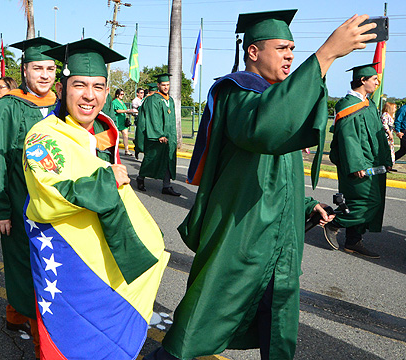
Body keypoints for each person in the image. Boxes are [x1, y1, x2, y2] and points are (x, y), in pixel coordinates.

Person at [146, 10, 373, 360]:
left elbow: (279, 170)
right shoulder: (237, 94)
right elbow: (262, 133)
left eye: (293, 49)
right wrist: (325, 54)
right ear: (253, 52)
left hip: (278, 238)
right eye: (282, 48)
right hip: (243, 234)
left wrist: (305, 203)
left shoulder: (274, 98)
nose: (290, 56)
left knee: (279, 326)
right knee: (203, 320)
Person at [23, 37, 169, 360]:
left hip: (106, 262)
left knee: (105, 340)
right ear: (61, 90)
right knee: (71, 341)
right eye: (79, 85)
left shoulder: (104, 133)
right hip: (71, 265)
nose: (89, 95)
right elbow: (52, 191)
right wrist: (106, 178)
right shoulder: (43, 137)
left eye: (98, 86)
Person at [0, 36, 59, 356]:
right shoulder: (9, 106)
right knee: (24, 265)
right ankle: (39, 340)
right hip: (21, 204)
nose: (45, 74)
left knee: (48, 267)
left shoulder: (61, 105)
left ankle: (15, 315)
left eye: (51, 68)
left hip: (57, 207)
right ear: (24, 70)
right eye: (38, 67)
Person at [323, 63, 393, 259]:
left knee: (366, 201)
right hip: (359, 165)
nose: (377, 83)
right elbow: (349, 139)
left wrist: (386, 159)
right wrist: (357, 165)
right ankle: (334, 222)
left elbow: (379, 136)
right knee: (368, 202)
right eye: (374, 80)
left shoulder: (369, 105)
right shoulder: (347, 106)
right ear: (362, 80)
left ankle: (353, 241)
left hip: (374, 164)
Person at [136, 73, 180, 196]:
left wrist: (171, 135)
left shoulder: (170, 100)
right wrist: (159, 134)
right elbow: (152, 118)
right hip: (156, 136)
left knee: (168, 159)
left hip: (169, 135)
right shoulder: (152, 99)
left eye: (168, 85)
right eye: (163, 85)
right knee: (151, 159)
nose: (166, 87)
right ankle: (141, 178)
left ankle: (167, 186)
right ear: (158, 85)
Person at [134, 83, 157, 160]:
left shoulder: (150, 98)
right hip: (145, 122)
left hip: (148, 121)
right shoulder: (148, 99)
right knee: (143, 140)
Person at [112, 88, 133, 155]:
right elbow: (117, 110)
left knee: (125, 135)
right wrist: (126, 111)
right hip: (117, 121)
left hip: (123, 121)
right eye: (121, 94)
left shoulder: (122, 102)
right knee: (116, 136)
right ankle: (114, 150)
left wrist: (130, 112)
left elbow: (125, 110)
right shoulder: (114, 102)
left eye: (123, 94)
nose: (122, 95)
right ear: (117, 94)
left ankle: (127, 150)